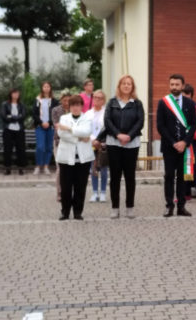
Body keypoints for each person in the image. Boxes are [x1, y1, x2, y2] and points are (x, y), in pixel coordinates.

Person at [97, 76, 144, 218]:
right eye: (124, 83)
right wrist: (118, 135)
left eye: (129, 84)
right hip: (114, 143)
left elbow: (140, 122)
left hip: (132, 144)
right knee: (115, 176)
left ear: (132, 87)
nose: (126, 86)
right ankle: (115, 207)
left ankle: (130, 207)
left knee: (130, 176)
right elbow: (107, 121)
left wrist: (129, 136)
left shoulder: (137, 104)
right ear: (119, 86)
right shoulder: (112, 102)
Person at [157, 74, 196, 217]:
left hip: (184, 147)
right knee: (169, 176)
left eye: (177, 84)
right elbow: (160, 126)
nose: (174, 87)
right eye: (172, 84)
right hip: (169, 147)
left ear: (182, 85)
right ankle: (169, 206)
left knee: (182, 177)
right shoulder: (163, 102)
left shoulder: (190, 103)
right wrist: (174, 142)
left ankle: (181, 206)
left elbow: (193, 125)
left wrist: (185, 142)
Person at [56, 95, 94, 221]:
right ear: (69, 107)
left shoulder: (86, 118)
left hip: (83, 159)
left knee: (80, 186)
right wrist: (79, 138)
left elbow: (87, 132)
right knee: (66, 187)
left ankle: (78, 212)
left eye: (78, 105)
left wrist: (70, 129)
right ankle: (65, 212)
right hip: (66, 158)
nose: (76, 108)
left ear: (81, 106)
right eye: (73, 105)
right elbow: (62, 134)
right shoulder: (64, 118)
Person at [86, 89, 108, 203]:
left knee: (103, 169)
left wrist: (100, 141)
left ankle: (103, 192)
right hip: (91, 144)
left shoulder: (106, 113)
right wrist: (92, 139)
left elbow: (107, 128)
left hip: (103, 144)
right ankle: (95, 192)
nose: (97, 100)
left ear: (103, 100)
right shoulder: (88, 113)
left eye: (100, 98)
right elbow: (85, 128)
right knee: (93, 169)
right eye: (95, 97)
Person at [32, 81, 59, 175]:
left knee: (49, 147)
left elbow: (56, 114)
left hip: (50, 127)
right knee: (40, 147)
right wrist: (41, 122)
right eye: (44, 86)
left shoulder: (54, 101)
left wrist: (49, 122)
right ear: (42, 88)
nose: (46, 88)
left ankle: (46, 166)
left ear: (50, 88)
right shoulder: (37, 100)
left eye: (48, 86)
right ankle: (38, 166)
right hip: (40, 127)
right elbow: (34, 114)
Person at [0, 89, 26, 175]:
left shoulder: (21, 105)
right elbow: (4, 116)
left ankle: (21, 168)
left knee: (20, 149)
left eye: (17, 93)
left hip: (19, 129)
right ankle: (7, 168)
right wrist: (16, 117)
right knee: (7, 149)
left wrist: (12, 117)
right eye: (14, 93)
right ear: (10, 94)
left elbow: (23, 116)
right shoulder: (5, 104)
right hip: (8, 129)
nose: (16, 95)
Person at [52, 90, 71, 202]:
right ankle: (59, 192)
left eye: (69, 100)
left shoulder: (74, 110)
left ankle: (68, 191)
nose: (67, 102)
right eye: (65, 100)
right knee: (60, 168)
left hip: (72, 142)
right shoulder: (55, 110)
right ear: (61, 100)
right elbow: (57, 125)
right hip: (59, 142)